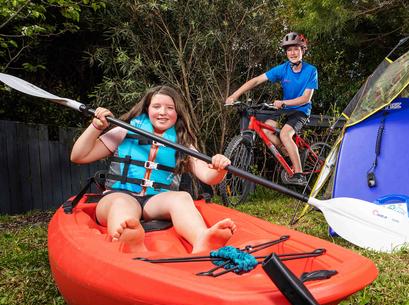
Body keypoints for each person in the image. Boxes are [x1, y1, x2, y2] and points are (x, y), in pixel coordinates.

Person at [70, 86, 236, 254]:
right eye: (156, 106)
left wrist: (219, 169)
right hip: (118, 195)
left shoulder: (182, 142)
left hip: (154, 202)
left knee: (182, 197)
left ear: (177, 113)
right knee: (121, 205)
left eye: (170, 108)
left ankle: (201, 238)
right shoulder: (124, 131)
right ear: (147, 108)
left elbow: (207, 175)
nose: (163, 112)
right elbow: (79, 156)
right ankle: (128, 241)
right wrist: (96, 127)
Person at [225, 32, 318, 186]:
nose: (293, 53)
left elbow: (306, 98)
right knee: (267, 131)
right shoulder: (283, 69)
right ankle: (291, 153)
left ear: (303, 50)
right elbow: (256, 80)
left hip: (301, 110)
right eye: (289, 50)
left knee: (285, 134)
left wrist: (284, 102)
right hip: (285, 109)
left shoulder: (311, 70)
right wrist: (234, 96)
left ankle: (300, 174)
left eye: (296, 49)